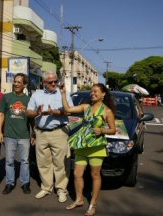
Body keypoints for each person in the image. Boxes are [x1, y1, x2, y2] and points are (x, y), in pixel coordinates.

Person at [61, 83, 116, 216]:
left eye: (96, 91)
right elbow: (67, 109)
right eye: (91, 91)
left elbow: (113, 130)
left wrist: (103, 130)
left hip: (96, 147)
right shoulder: (86, 107)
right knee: (77, 174)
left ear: (103, 94)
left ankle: (93, 203)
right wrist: (63, 93)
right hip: (82, 145)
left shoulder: (107, 111)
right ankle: (79, 199)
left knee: (95, 175)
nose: (92, 93)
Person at [26, 71, 73, 203]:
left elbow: (69, 111)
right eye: (50, 82)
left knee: (61, 163)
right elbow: (28, 112)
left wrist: (53, 112)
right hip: (41, 133)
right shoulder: (37, 94)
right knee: (43, 162)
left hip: (59, 132)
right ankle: (46, 187)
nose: (54, 84)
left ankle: (61, 189)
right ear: (43, 82)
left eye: (55, 81)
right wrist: (37, 112)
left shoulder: (63, 93)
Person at [0, 73, 35, 195]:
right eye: (15, 81)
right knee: (9, 161)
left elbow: (32, 119)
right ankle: (10, 183)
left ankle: (25, 183)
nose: (16, 84)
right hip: (9, 135)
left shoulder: (29, 100)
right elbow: (1, 115)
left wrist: (33, 133)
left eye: (19, 82)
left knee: (24, 161)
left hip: (24, 135)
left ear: (25, 85)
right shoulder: (6, 97)